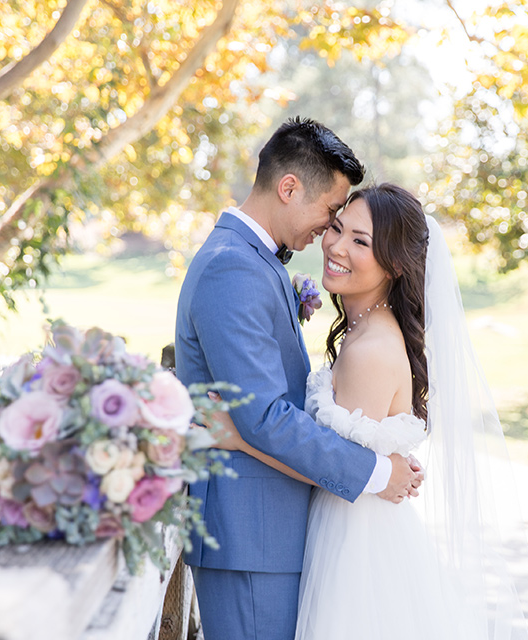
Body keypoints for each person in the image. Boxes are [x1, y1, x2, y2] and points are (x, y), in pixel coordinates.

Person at [213, 184, 528, 639]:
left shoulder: (370, 348)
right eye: (336, 228)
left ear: (394, 264)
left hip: (356, 544)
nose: (336, 245)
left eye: (360, 241)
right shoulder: (365, 331)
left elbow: (326, 463)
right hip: (352, 525)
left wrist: (235, 434)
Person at [174, 119, 422, 640]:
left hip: (269, 534)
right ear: (289, 188)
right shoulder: (233, 268)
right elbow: (262, 416)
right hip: (251, 534)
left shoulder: (251, 261)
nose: (328, 232)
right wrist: (377, 472)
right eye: (332, 214)